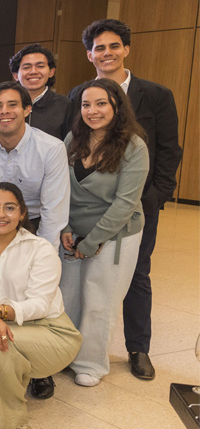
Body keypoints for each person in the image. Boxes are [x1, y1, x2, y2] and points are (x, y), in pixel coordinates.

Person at [69, 19, 182, 381]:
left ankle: (138, 349)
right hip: (81, 217)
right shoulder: (78, 98)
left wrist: (155, 197)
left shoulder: (156, 95)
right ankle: (68, 352)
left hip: (134, 210)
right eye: (99, 48)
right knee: (76, 291)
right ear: (90, 55)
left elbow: (168, 150)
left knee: (133, 279)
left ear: (126, 49)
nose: (107, 53)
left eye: (113, 46)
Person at [0, 183, 82, 429]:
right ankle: (10, 378)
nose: (1, 214)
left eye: (10, 208)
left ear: (22, 213)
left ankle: (4, 418)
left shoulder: (40, 249)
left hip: (51, 332)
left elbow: (41, 304)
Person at [61, 78, 149, 387]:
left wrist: (93, 241)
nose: (92, 110)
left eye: (101, 104)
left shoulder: (133, 146)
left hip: (115, 234)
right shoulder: (74, 139)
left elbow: (126, 202)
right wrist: (67, 228)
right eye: (86, 104)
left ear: (117, 107)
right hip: (72, 232)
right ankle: (64, 354)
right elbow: (61, 187)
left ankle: (90, 363)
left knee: (100, 299)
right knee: (68, 297)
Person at [0, 83, 70, 264]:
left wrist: (45, 260)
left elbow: (53, 214)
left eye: (12, 105)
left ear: (27, 109)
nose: (4, 111)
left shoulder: (51, 149)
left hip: (33, 224)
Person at [9, 44, 74, 141]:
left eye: (40, 66)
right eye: (26, 67)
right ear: (15, 75)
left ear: (51, 72)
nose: (33, 71)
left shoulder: (65, 105)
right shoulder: (5, 103)